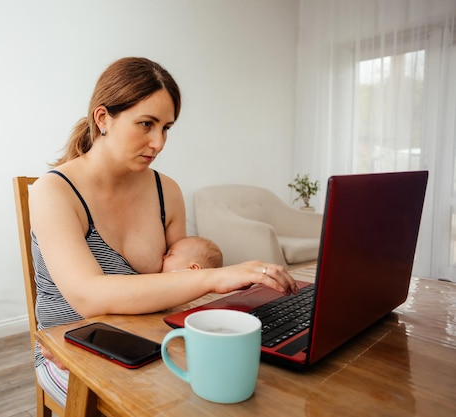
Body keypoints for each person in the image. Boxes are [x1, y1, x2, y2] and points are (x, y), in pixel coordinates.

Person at [28, 57, 298, 408]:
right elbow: (89, 296)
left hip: (144, 341)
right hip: (68, 354)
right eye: (146, 124)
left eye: (166, 128)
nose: (158, 143)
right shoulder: (54, 191)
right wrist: (215, 278)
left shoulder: (165, 191)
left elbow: (179, 287)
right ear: (103, 118)